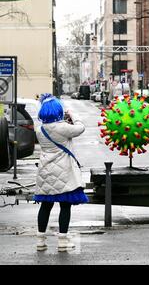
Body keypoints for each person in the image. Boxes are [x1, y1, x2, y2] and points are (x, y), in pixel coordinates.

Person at [33, 93, 88, 252]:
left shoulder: (40, 129)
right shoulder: (64, 128)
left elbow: (54, 128)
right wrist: (72, 115)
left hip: (46, 172)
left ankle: (40, 241)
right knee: (65, 206)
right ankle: (62, 242)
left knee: (45, 206)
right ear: (58, 110)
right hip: (64, 172)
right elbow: (80, 128)